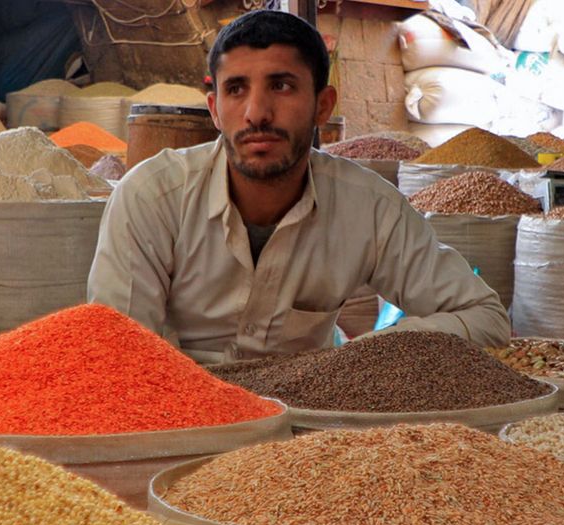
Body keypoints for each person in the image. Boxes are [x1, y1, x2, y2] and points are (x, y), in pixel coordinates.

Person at [87, 10, 510, 364]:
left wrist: (369, 355)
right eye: (236, 89)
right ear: (215, 109)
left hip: (307, 432)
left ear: (322, 106)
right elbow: (120, 355)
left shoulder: (368, 207)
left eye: (282, 86)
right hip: (177, 422)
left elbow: (485, 316)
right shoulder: (152, 198)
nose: (257, 113)